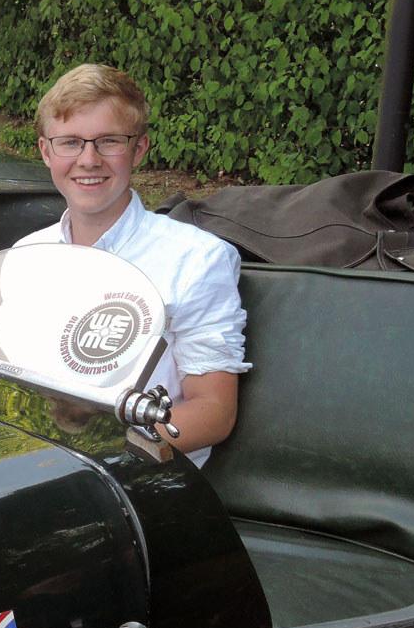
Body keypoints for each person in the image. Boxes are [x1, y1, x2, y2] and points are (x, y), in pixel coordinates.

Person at [14, 63, 249, 467]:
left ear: (139, 149)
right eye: (69, 142)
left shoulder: (196, 259)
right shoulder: (24, 256)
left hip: (138, 478)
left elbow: (213, 411)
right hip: (33, 458)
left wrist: (96, 457)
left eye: (109, 141)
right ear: (45, 151)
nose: (88, 160)